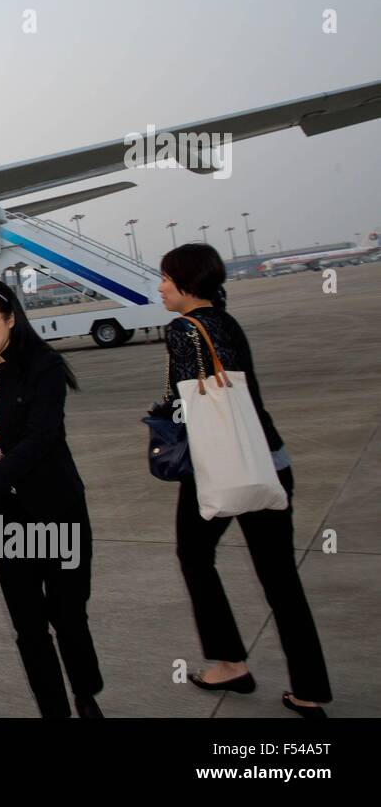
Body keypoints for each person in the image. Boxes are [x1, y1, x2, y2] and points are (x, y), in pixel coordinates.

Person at [158, 243, 331, 718]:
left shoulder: (182, 330)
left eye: (166, 278)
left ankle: (230, 663)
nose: (160, 287)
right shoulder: (227, 321)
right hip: (266, 460)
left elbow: (180, 404)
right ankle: (310, 689)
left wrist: (156, 429)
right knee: (279, 578)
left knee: (193, 555)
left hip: (218, 466)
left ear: (187, 282)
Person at [0, 279, 104, 718]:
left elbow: (39, 440)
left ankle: (86, 695)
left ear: (11, 318)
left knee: (68, 616)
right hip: (8, 517)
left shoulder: (43, 365)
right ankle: (54, 709)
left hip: (55, 510)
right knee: (28, 625)